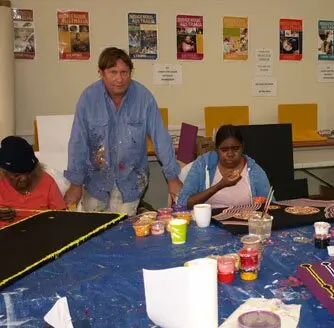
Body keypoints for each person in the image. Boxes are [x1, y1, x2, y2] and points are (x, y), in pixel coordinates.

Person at [64, 47, 182, 217]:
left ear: (131, 73)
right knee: (95, 231)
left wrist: (172, 178)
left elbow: (160, 138)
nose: (119, 79)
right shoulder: (88, 99)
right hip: (96, 180)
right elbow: (78, 141)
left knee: (123, 230)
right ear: (101, 73)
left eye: (124, 72)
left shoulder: (144, 98)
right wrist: (75, 184)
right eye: (113, 72)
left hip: (130, 179)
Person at [177, 125, 270, 209]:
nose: (230, 154)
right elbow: (184, 202)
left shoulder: (254, 170)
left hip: (245, 223)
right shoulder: (202, 165)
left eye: (235, 148)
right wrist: (219, 186)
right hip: (208, 224)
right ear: (216, 149)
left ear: (243, 146)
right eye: (224, 150)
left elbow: (270, 205)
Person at [0, 136, 66, 211]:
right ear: (3, 172)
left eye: (29, 172)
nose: (24, 178)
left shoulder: (47, 182)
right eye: (16, 175)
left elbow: (61, 215)